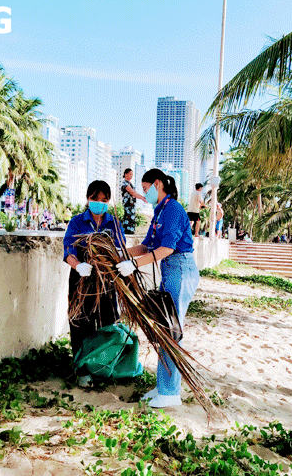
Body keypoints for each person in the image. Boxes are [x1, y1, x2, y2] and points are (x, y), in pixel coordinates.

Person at [116, 169, 200, 408]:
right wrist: (118, 254)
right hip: (170, 270)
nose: (145, 193)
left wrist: (132, 265)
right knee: (164, 327)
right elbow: (146, 246)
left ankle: (171, 393)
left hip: (180, 269)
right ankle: (163, 387)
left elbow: (166, 249)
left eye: (145, 189)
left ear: (158, 184)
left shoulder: (173, 209)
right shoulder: (160, 210)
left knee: (171, 331)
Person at [63, 180, 126, 387]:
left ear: (108, 201)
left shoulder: (114, 224)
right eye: (95, 199)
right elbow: (68, 252)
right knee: (80, 322)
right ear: (88, 198)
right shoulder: (77, 222)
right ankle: (82, 370)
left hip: (107, 279)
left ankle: (103, 367)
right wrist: (79, 266)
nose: (99, 203)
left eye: (104, 200)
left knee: (108, 322)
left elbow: (121, 250)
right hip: (81, 279)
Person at [121, 168, 147, 234]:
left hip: (132, 204)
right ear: (125, 174)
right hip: (128, 204)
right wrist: (142, 198)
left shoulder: (130, 183)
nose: (131, 176)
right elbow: (133, 193)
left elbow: (135, 193)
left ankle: (131, 232)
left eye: (132, 174)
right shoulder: (125, 183)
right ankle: (127, 232)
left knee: (132, 219)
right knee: (128, 218)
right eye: (129, 174)